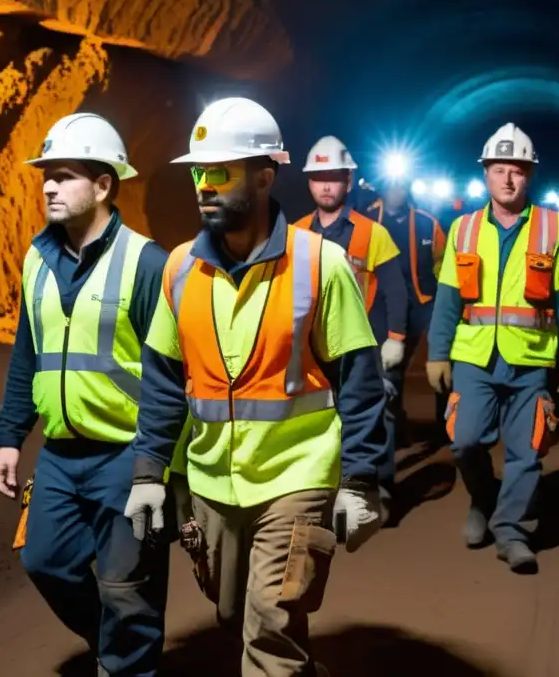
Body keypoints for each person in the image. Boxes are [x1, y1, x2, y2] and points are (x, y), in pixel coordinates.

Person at [122, 98, 387, 677]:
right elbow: (165, 382)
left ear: (265, 175)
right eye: (198, 171)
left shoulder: (321, 264)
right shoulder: (179, 269)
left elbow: (360, 383)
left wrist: (361, 482)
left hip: (297, 476)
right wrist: (148, 473)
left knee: (269, 624)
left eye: (220, 171)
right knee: (234, 615)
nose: (203, 185)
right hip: (213, 481)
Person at [0, 113, 171, 676]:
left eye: (64, 175)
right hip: (63, 457)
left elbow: (169, 376)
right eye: (46, 174)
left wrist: (152, 468)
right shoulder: (35, 260)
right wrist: (9, 437)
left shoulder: (147, 262)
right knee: (46, 563)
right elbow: (28, 354)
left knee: (126, 587)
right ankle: (117, 648)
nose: (47, 185)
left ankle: (126, 662)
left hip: (125, 455)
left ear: (103, 184)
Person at [425, 123, 559, 573]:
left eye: (517, 170)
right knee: (463, 441)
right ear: (485, 174)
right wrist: (437, 353)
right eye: (499, 170)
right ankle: (483, 499)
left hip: (530, 359)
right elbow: (447, 298)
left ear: (529, 175)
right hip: (474, 357)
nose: (508, 179)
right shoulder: (463, 229)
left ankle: (511, 531)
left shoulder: (553, 229)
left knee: (527, 449)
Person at [293, 135, 409, 514]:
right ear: (309, 182)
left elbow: (395, 290)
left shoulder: (372, 233)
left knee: (379, 414)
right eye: (319, 177)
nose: (327, 185)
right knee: (319, 416)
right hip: (311, 345)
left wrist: (396, 338)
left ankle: (380, 489)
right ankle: (324, 490)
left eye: (335, 177)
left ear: (348, 181)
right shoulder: (295, 233)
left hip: (363, 344)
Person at [364, 178, 448, 448]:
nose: (396, 191)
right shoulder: (366, 220)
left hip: (425, 302)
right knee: (390, 367)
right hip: (383, 303)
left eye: (401, 185)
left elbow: (444, 265)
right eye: (391, 185)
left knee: (443, 359)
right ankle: (395, 426)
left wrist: (446, 303)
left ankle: (446, 426)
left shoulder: (427, 223)